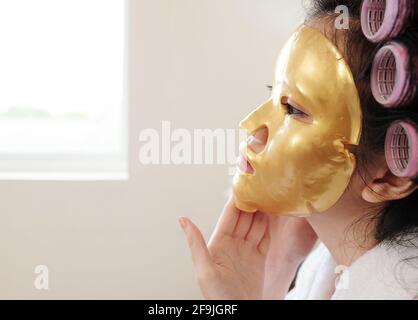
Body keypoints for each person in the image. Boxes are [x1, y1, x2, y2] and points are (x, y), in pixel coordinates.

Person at [179, 0, 418, 300]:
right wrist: (277, 267)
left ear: (389, 176)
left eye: (292, 109)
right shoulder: (325, 268)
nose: (251, 126)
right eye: (273, 94)